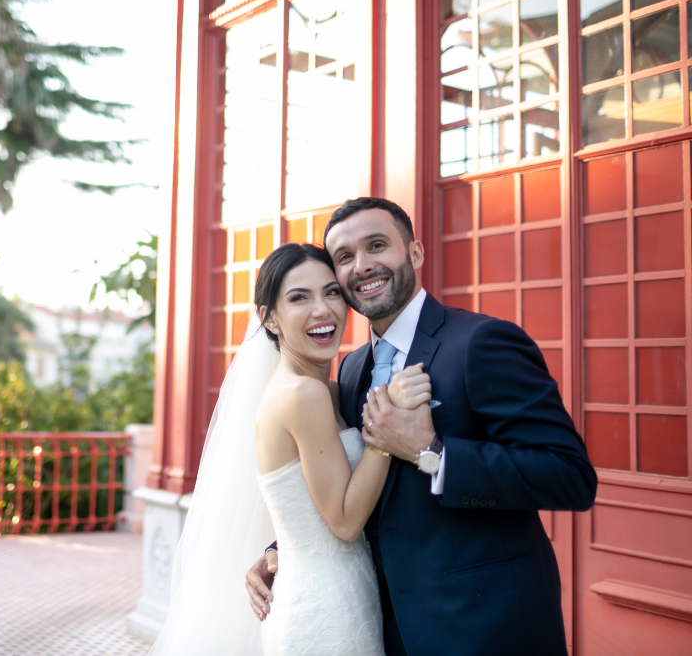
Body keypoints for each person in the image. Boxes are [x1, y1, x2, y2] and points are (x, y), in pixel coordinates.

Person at [246, 197, 598, 656]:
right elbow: (342, 482)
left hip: (485, 628)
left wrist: (433, 451)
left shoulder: (481, 343)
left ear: (414, 253)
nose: (363, 266)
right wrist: (284, 549)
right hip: (381, 629)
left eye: (377, 245)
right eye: (345, 258)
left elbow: (570, 477)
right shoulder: (348, 371)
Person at [149, 242, 415, 656]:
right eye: (299, 298)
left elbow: (303, 510)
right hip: (327, 613)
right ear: (269, 318)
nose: (323, 310)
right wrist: (385, 431)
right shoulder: (302, 394)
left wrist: (273, 552)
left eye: (330, 292)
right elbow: (344, 522)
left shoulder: (329, 388)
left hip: (337, 592)